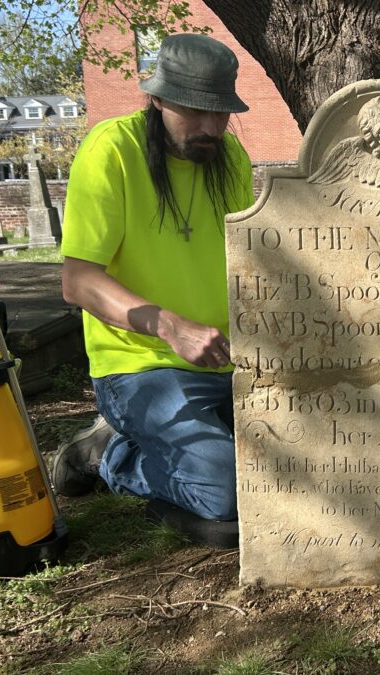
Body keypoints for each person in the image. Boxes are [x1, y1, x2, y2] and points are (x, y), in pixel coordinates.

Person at [52, 33, 255, 548]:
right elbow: (78, 282)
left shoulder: (228, 156)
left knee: (309, 462)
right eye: (195, 110)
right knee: (226, 494)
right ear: (159, 98)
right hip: (141, 367)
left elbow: (252, 257)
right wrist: (171, 327)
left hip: (230, 361)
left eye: (221, 112)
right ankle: (109, 455)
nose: (211, 127)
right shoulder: (111, 151)